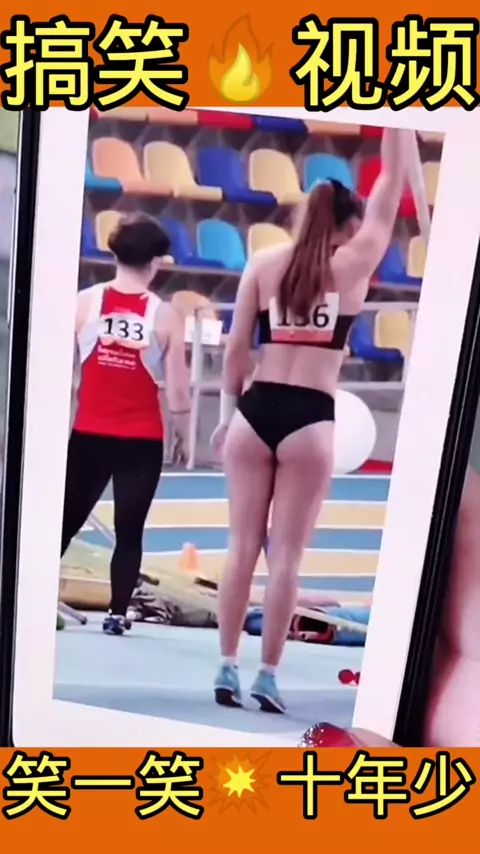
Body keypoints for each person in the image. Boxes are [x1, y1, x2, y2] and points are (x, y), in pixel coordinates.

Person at [210, 128, 413, 712]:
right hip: (310, 419)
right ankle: (268, 674)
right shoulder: (353, 264)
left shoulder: (263, 263)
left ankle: (227, 665)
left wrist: (227, 416)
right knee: (287, 557)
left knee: (240, 547)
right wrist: (399, 124)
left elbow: (236, 351)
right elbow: (392, 183)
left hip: (255, 412)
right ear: (349, 225)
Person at [61, 213, 191, 636]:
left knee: (64, 522)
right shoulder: (165, 316)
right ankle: (117, 613)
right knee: (129, 531)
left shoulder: (83, 303)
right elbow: (178, 390)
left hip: (89, 434)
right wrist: (182, 433)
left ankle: (27, 596)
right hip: (140, 440)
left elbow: (65, 372)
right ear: (154, 262)